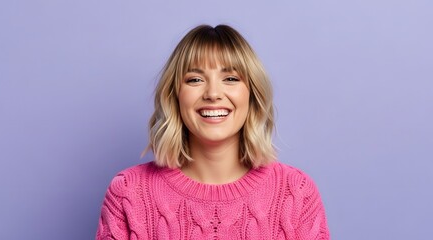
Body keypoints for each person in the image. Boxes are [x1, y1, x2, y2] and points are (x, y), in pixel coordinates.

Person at [96, 24, 330, 239]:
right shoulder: (128, 192)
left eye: (230, 78)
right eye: (195, 79)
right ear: (174, 96)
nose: (213, 93)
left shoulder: (296, 193)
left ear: (252, 94)